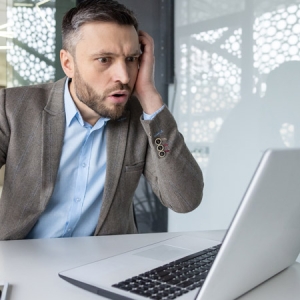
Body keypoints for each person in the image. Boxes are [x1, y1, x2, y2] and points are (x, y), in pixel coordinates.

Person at [0, 0, 203, 240]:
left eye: (131, 59)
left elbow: (184, 198)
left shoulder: (144, 119)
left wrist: (149, 94)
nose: (124, 76)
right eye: (104, 60)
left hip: (105, 266)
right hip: (23, 261)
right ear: (68, 63)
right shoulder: (13, 107)